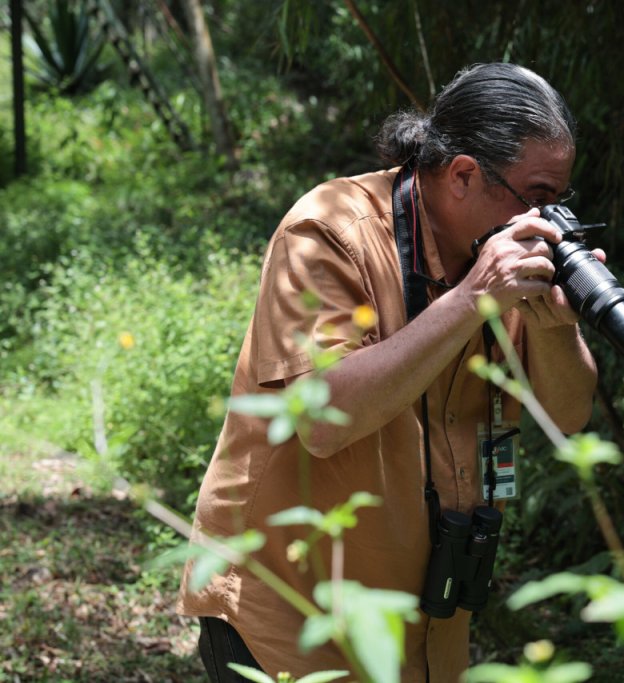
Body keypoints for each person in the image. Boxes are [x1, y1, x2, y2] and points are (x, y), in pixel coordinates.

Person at [178, 62, 599, 682]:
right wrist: (472, 299)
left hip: (426, 631)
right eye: (537, 196)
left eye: (560, 200)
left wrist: (556, 325)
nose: (548, 220)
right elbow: (322, 420)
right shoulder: (330, 229)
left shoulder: (505, 262)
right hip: (292, 622)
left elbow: (569, 420)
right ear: (462, 175)